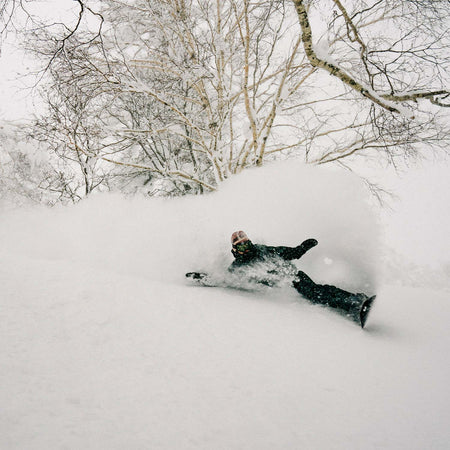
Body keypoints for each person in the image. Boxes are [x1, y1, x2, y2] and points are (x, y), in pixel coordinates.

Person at [229, 230, 375, 327]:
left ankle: (356, 303)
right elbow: (228, 280)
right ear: (235, 250)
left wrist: (303, 247)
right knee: (316, 292)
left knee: (315, 292)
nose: (246, 248)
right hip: (280, 291)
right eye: (241, 247)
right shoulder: (238, 267)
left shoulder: (263, 251)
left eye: (247, 244)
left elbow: (290, 253)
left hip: (294, 278)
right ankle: (355, 302)